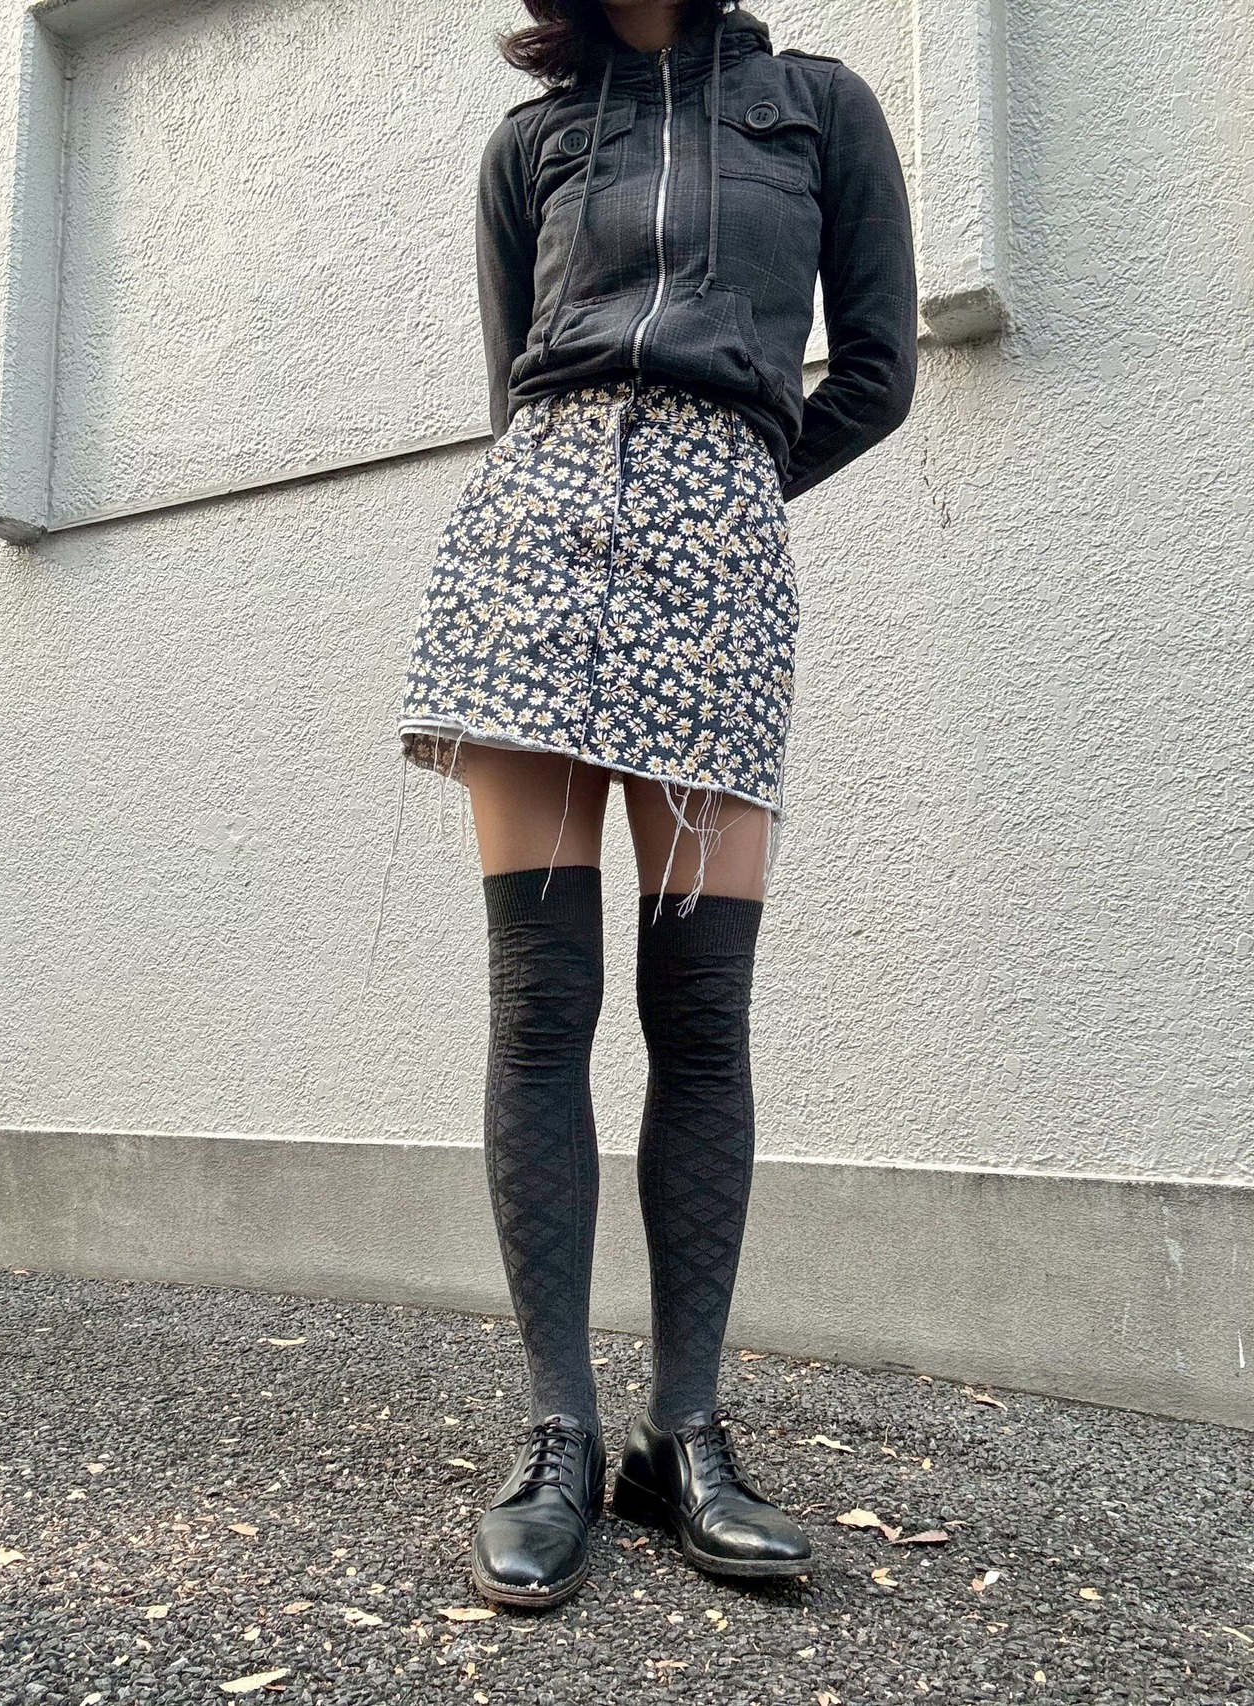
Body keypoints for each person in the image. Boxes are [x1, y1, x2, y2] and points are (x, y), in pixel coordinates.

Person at [393, 0, 917, 1608]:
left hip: (717, 560)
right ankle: (559, 1429)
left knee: (700, 1008)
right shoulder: (534, 141)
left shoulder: (818, 108)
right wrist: (589, 491)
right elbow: (516, 389)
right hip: (533, 550)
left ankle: (683, 1435)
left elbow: (879, 370)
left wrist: (729, 484)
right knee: (541, 999)